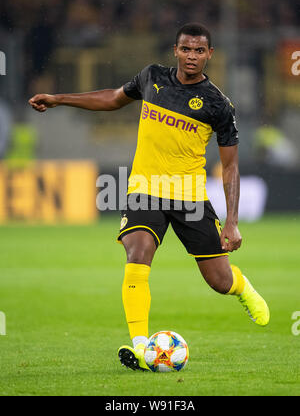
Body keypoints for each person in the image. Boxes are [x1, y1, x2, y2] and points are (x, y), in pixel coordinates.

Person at [29, 23, 270, 372]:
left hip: (189, 196)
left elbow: (230, 167)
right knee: (137, 252)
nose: (191, 56)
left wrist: (231, 222)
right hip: (144, 189)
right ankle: (142, 347)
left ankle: (242, 287)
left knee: (219, 281)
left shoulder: (218, 104)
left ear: (209, 55)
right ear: (175, 50)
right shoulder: (152, 77)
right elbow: (113, 98)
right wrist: (60, 99)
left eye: (199, 51)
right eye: (185, 49)